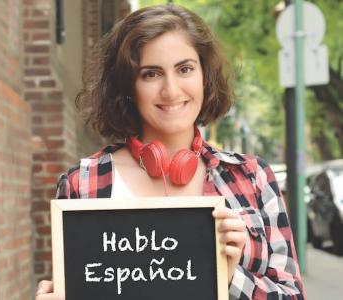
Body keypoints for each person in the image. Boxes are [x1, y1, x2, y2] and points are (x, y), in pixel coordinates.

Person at [36, 4, 305, 300]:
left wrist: (229, 277)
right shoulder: (82, 184)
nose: (171, 90)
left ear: (205, 76)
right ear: (128, 86)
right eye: (151, 74)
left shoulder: (253, 178)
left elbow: (292, 295)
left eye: (185, 69)